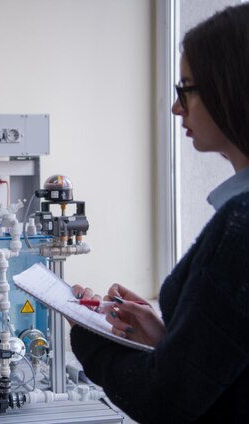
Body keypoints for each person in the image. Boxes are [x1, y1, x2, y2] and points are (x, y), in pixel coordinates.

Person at [69, 4, 249, 423]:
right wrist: (171, 340)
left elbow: (166, 401)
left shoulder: (241, 225)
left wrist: (88, 335)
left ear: (231, 87)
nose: (176, 107)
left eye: (186, 88)